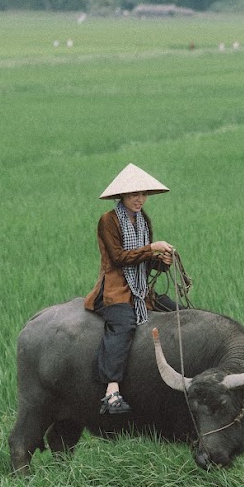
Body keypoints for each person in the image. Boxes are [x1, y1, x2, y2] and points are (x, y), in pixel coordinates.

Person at [85, 163, 188, 415]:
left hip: (141, 291)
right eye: (134, 194)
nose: (139, 199)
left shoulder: (143, 221)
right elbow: (119, 258)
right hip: (116, 291)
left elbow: (144, 262)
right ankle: (111, 392)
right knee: (123, 325)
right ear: (122, 196)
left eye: (143, 194)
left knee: (180, 313)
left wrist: (161, 261)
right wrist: (151, 249)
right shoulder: (108, 221)